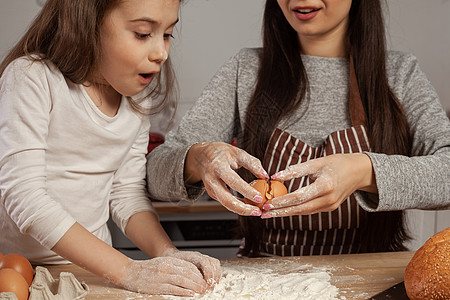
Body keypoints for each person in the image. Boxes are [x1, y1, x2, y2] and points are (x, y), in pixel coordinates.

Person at [146, 0, 450, 257]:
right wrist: (199, 159)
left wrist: (363, 170)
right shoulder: (246, 70)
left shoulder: (399, 74)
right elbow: (154, 172)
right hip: (266, 277)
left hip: (374, 276)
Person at [0, 0, 220, 296]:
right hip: (18, 270)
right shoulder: (31, 77)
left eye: (168, 34)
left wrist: (166, 252)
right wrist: (128, 270)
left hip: (92, 274)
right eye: (143, 34)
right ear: (87, 25)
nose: (161, 53)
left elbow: (126, 193)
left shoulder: (137, 100)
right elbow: (25, 197)